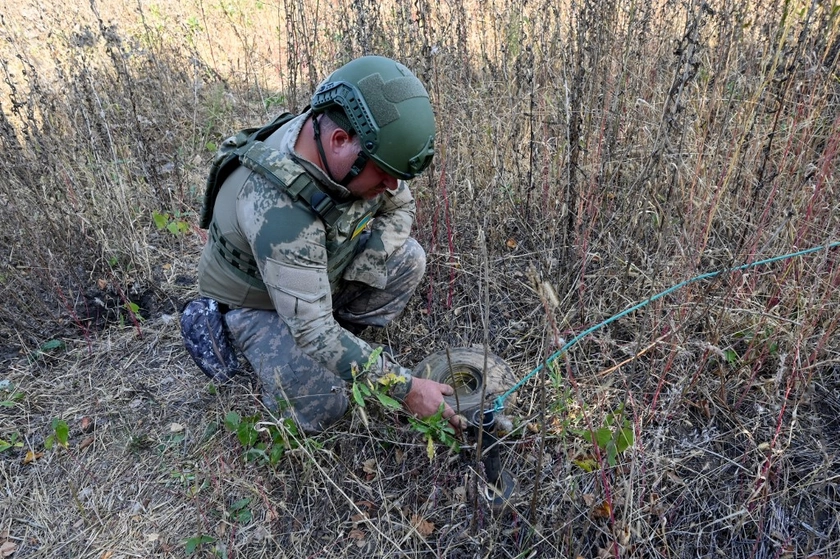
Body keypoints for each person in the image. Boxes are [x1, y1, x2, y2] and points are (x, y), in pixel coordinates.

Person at [181, 55, 460, 433]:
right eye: (385, 175)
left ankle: (334, 331)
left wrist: (366, 264)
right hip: (259, 303)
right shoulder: (280, 212)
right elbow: (313, 331)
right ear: (340, 140)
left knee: (408, 258)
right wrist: (405, 388)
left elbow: (402, 205)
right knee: (324, 402)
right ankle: (223, 326)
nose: (392, 186)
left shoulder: (352, 147)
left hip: (313, 273)